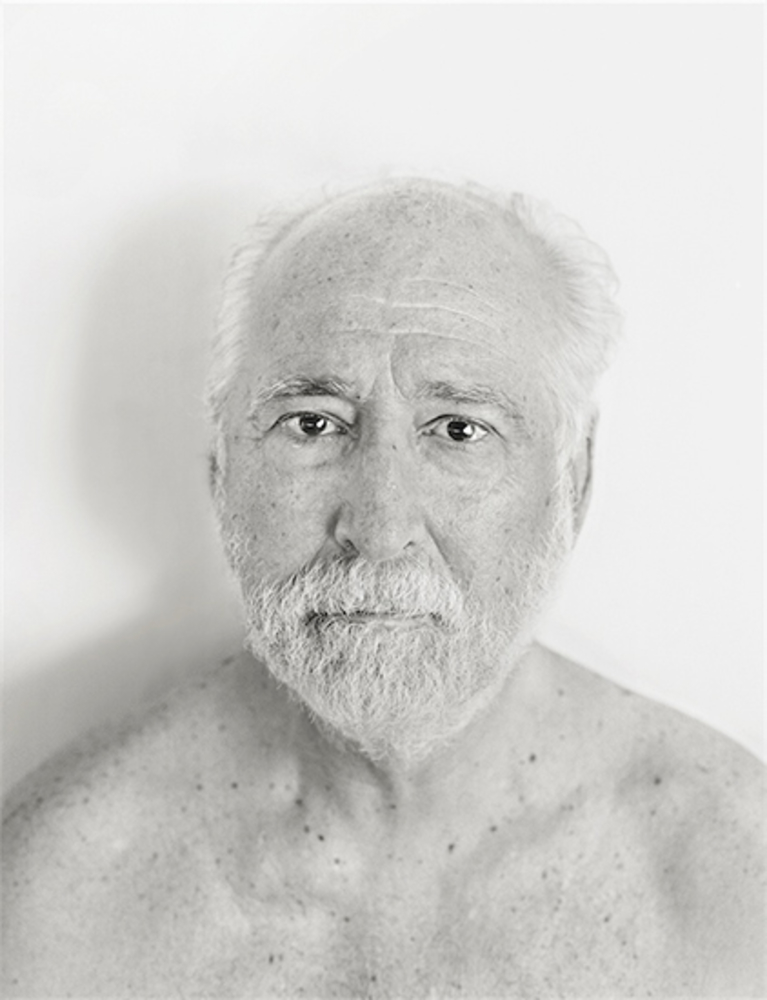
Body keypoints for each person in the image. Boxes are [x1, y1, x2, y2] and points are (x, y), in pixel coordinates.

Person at [3, 177, 764, 999]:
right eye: (312, 423)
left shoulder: (731, 880)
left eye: (459, 430)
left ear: (572, 482)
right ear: (222, 468)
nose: (379, 524)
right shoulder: (66, 892)